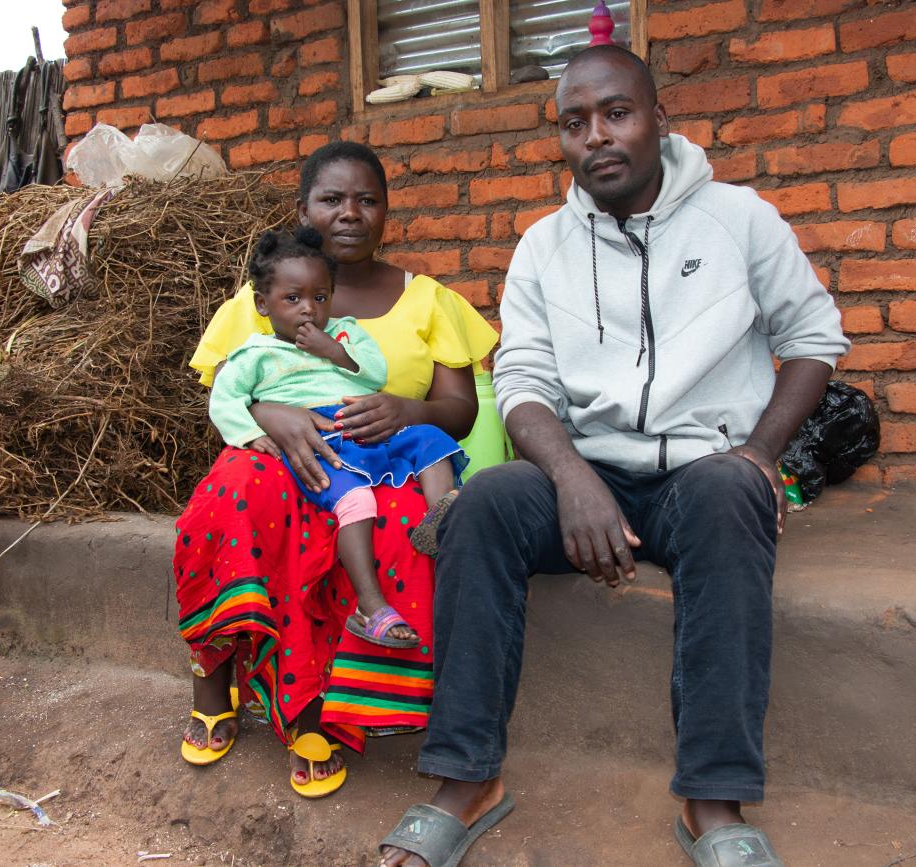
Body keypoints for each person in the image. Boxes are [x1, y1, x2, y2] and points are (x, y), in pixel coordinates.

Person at [378, 45, 848, 867]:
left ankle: (713, 801)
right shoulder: (542, 248)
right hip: (582, 476)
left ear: (660, 121)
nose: (596, 135)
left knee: (728, 493)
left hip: (699, 475)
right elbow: (521, 382)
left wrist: (761, 453)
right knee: (482, 505)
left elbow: (812, 341)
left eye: (617, 113)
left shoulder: (740, 220)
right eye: (573, 122)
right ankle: (465, 778)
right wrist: (570, 477)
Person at [174, 141, 497, 798]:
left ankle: (326, 708)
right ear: (304, 210)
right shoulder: (258, 298)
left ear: (386, 213)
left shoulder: (428, 298)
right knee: (230, 489)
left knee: (403, 523)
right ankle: (215, 673)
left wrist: (407, 408)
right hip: (278, 458)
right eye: (332, 198)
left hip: (380, 465)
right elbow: (224, 395)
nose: (350, 212)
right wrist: (272, 413)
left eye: (367, 199)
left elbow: (460, 412)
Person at [208, 227, 466, 648]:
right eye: (293, 299)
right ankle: (371, 605)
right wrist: (251, 433)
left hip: (367, 427)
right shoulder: (255, 354)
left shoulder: (345, 333)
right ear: (262, 304)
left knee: (430, 440)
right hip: (320, 442)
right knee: (356, 501)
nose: (308, 309)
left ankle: (441, 521)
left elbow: (376, 374)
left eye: (320, 297)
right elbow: (224, 400)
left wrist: (334, 351)